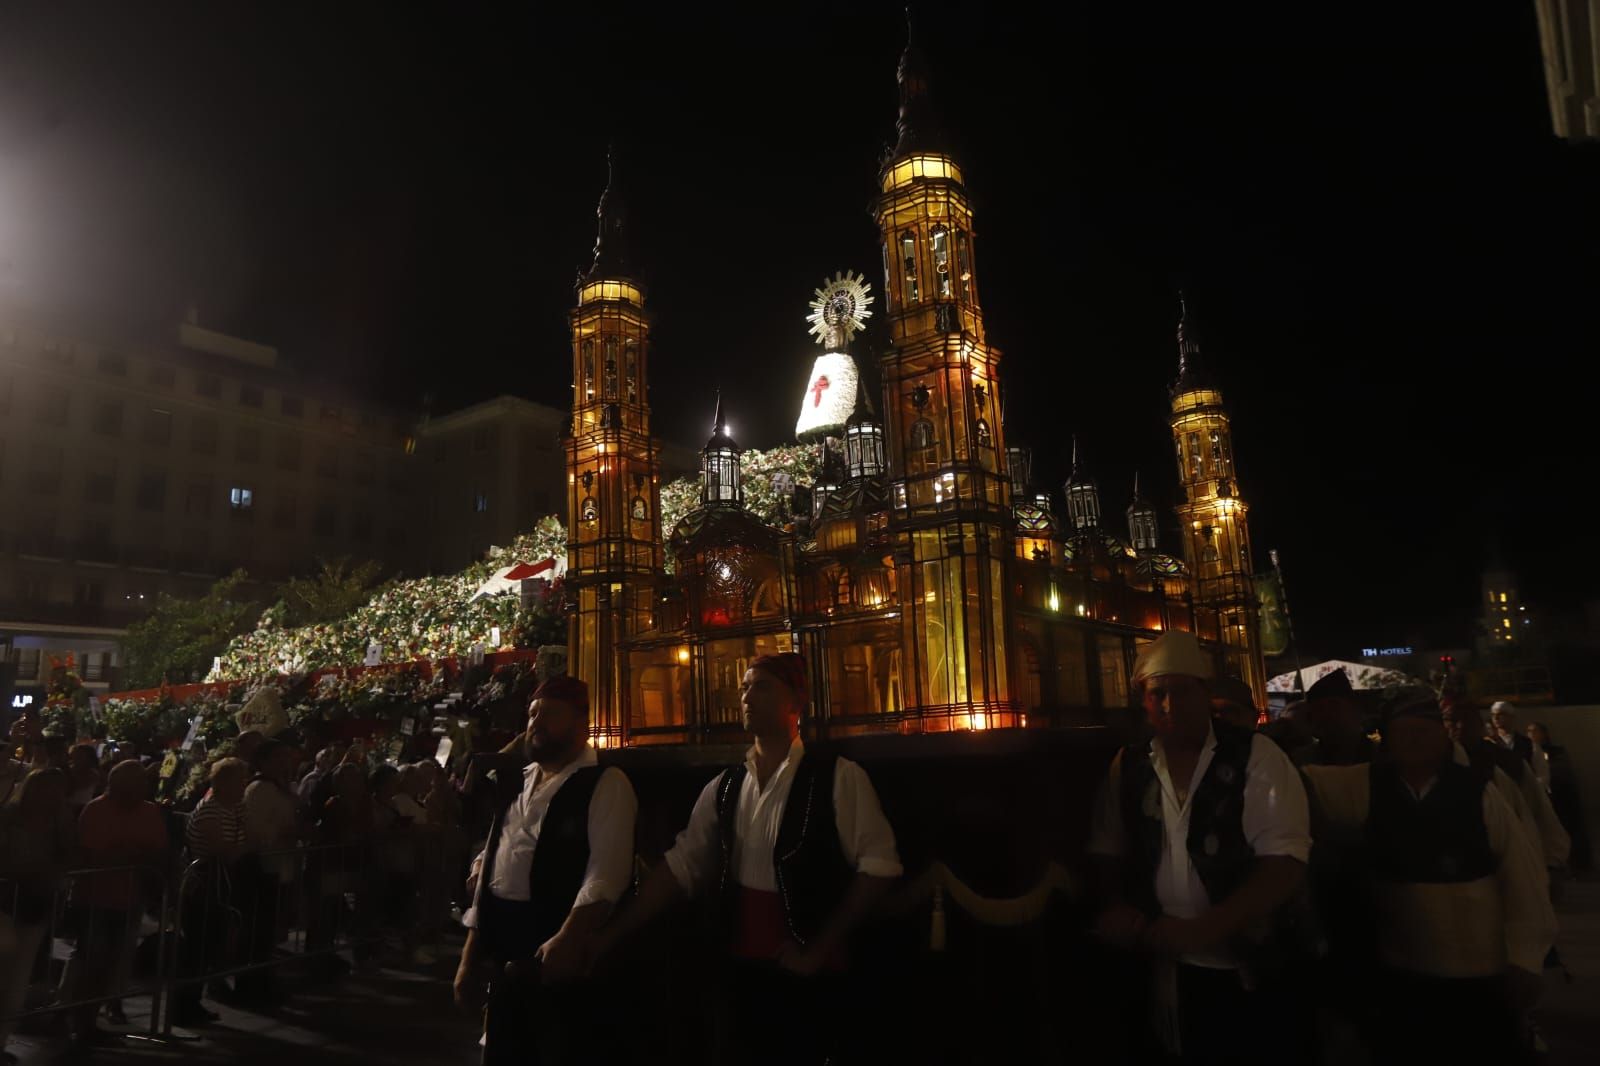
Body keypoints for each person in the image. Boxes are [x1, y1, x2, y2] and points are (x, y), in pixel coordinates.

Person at [597, 652, 901, 1066]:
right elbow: (682, 865)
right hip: (736, 967)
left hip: (809, 972)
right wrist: (611, 935)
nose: (747, 696)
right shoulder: (724, 787)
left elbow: (879, 868)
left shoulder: (838, 777)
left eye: (761, 686)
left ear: (797, 702)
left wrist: (818, 949)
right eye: (744, 687)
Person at [1087, 631, 1312, 1066]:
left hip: (1248, 964)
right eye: (1158, 694)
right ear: (1144, 700)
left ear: (1204, 693)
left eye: (1182, 691)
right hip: (1163, 964)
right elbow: (1106, 847)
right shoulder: (1130, 764)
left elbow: (1284, 860)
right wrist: (1114, 904)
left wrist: (1211, 926)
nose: (1169, 704)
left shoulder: (1254, 754)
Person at [1301, 690, 1555, 1064]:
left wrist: (1525, 959)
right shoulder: (1366, 785)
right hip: (1402, 973)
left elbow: (1522, 878)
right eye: (1403, 733)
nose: (1413, 741)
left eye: (1423, 731)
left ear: (1442, 736)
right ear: (1387, 741)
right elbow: (1302, 782)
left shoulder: (1479, 790)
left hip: (1481, 973)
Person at [453, 676, 637, 1066]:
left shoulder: (605, 784)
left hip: (557, 959)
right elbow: (492, 866)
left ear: (581, 721)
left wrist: (569, 937)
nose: (536, 722)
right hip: (504, 953)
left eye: (549, 713)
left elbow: (607, 873)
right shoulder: (519, 783)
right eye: (533, 713)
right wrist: (470, 955)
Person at [65, 761, 168, 1045]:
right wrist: (131, 853)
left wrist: (127, 852)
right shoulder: (97, 810)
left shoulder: (148, 811)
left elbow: (156, 850)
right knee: (92, 962)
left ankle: (95, 1015)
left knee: (114, 962)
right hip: (95, 899)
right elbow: (94, 856)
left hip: (130, 898)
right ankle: (78, 1020)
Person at [0, 769, 74, 1065]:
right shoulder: (10, 815)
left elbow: (70, 855)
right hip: (7, 901)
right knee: (11, 975)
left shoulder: (59, 820)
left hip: (33, 903)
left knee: (17, 979)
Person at [172, 758, 249, 1028]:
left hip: (219, 886)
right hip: (203, 887)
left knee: (206, 949)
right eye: (240, 780)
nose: (244, 785)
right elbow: (223, 851)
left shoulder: (233, 808)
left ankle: (193, 1001)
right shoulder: (211, 812)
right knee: (196, 949)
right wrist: (245, 847)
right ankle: (182, 1005)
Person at [235, 740, 300, 1003]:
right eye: (278, 758)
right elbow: (254, 829)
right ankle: (250, 985)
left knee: (266, 931)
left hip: (275, 865)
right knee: (256, 931)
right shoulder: (260, 789)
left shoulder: (280, 789)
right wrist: (284, 833)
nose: (284, 763)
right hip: (261, 866)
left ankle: (261, 980)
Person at [1527, 723, 1591, 871]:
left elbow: (1559, 771)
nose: (1531, 734)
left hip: (1562, 797)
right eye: (1528, 731)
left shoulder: (1556, 751)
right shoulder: (1528, 752)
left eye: (1534, 731)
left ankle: (1578, 865)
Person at [1299, 669, 1376, 767]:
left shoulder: (1384, 757)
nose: (1327, 714)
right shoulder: (1303, 762)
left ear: (1355, 709)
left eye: (1334, 706)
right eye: (1319, 709)